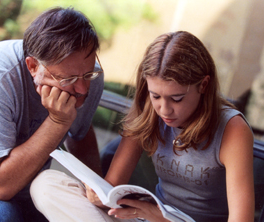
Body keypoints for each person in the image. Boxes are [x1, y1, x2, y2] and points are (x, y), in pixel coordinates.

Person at [30, 31, 254, 222]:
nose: (164, 110)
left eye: (176, 99)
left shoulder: (232, 128)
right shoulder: (149, 111)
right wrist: (100, 194)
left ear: (203, 85)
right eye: (155, 95)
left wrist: (160, 218)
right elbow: (113, 185)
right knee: (46, 184)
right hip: (145, 216)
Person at [0, 7, 104, 221]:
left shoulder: (87, 78)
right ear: (32, 66)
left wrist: (100, 190)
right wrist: (58, 122)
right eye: (68, 79)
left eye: (88, 74)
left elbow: (80, 134)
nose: (83, 89)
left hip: (23, 179)